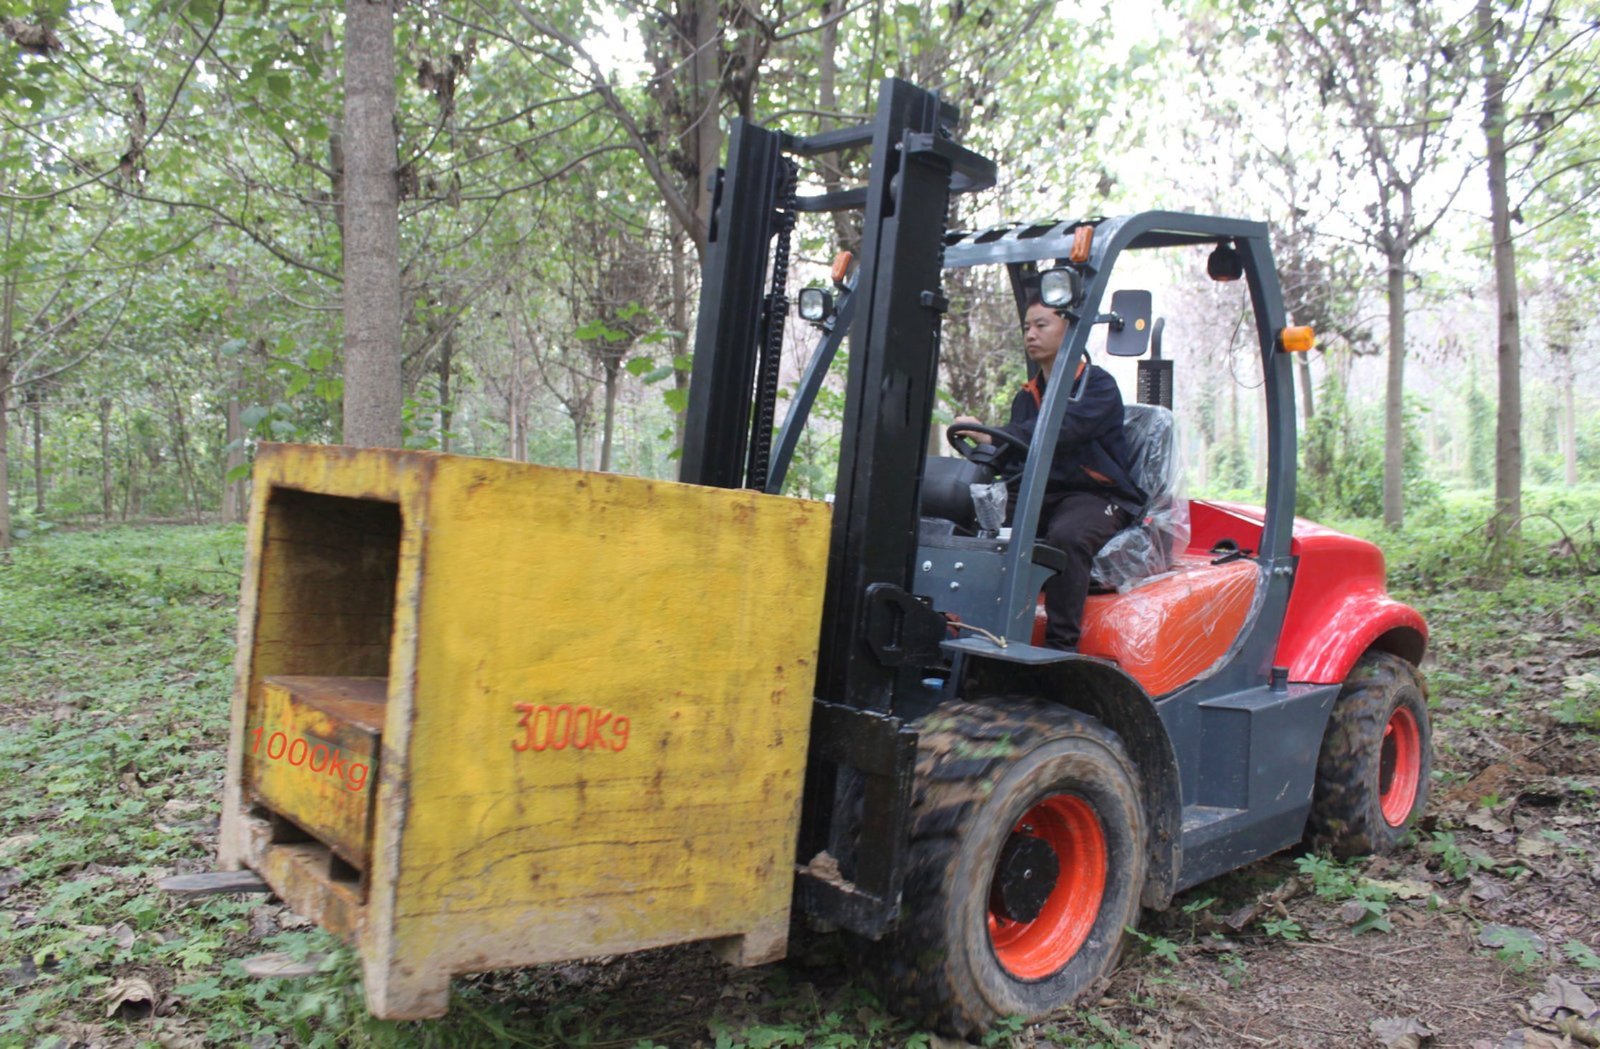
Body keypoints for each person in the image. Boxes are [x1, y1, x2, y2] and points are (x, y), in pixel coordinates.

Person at [953, 296, 1143, 650]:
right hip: (1042, 492)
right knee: (977, 520)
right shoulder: (1026, 396)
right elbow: (1016, 458)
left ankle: (1061, 647)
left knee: (1067, 536)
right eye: (1027, 327)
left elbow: (1058, 431)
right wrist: (987, 452)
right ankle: (971, 629)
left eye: (1042, 325)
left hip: (1096, 495)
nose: (1031, 334)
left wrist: (990, 432)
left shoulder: (1097, 387)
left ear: (1069, 329)